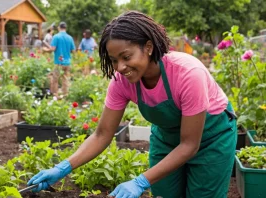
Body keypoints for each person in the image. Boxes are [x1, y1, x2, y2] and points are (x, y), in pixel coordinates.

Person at [27, 11, 237, 198]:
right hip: (167, 138)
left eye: (126, 57)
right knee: (165, 193)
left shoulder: (188, 74)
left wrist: (140, 181)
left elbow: (190, 144)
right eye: (113, 60)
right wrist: (62, 168)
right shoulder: (122, 81)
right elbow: (102, 134)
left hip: (211, 139)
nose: (120, 67)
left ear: (148, 47)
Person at [47, 22, 75, 98]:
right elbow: (73, 50)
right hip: (67, 62)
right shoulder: (70, 38)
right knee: (65, 79)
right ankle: (65, 95)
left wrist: (46, 50)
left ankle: (55, 96)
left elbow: (53, 49)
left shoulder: (56, 37)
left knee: (55, 79)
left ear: (59, 27)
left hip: (59, 62)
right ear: (65, 28)